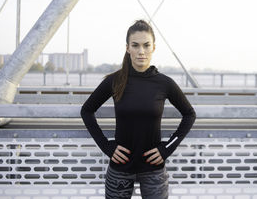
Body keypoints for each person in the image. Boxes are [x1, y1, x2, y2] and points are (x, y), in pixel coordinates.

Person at [81, 20, 196, 198]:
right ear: (128, 48)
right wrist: (106, 146)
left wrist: (166, 149)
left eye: (146, 45)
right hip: (120, 168)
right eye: (135, 45)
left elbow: (189, 114)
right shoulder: (115, 80)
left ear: (153, 48)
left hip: (153, 170)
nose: (141, 51)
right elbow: (87, 110)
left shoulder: (164, 83)